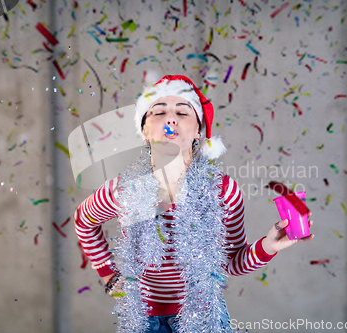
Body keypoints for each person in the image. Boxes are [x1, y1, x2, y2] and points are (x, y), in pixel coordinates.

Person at [73, 75, 314, 333]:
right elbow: (83, 221)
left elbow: (231, 262)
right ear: (144, 131)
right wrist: (108, 273)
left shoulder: (223, 191)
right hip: (142, 322)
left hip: (204, 320)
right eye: (159, 111)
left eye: (182, 111)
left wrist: (268, 245)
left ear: (198, 130)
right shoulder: (122, 190)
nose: (171, 118)